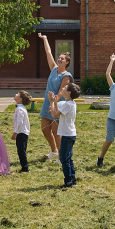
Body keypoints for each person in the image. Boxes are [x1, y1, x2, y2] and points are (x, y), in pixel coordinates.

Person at [37, 32, 73, 161]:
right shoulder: (53, 69)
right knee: (44, 129)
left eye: (62, 59)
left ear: (67, 62)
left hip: (58, 104)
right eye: (59, 58)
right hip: (48, 102)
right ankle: (54, 151)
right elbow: (48, 53)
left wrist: (53, 104)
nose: (59, 59)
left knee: (56, 131)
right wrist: (45, 39)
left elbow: (60, 93)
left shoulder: (66, 76)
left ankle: (62, 156)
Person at [48, 79, 81, 188]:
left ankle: (68, 182)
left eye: (65, 88)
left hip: (67, 135)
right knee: (68, 158)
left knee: (64, 159)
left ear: (69, 92)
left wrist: (52, 102)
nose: (63, 88)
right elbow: (57, 112)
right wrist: (55, 103)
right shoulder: (70, 103)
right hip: (70, 134)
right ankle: (73, 179)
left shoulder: (68, 105)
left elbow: (54, 115)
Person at [12, 90, 31, 172]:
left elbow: (20, 122)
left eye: (17, 94)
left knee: (21, 150)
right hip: (22, 132)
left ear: (20, 99)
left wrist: (15, 132)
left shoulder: (19, 109)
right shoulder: (21, 108)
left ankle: (25, 167)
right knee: (21, 149)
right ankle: (24, 166)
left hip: (21, 132)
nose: (15, 94)